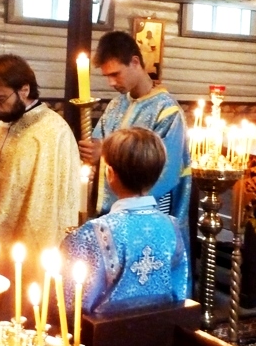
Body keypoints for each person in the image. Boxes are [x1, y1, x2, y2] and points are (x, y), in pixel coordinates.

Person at [0, 54, 81, 304]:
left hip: (27, 248)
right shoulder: (1, 127)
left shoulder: (53, 132)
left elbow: (48, 209)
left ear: (24, 90)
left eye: (0, 98)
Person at [61, 127, 189, 313]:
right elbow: (178, 292)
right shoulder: (172, 228)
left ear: (110, 173)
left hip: (104, 331)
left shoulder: (93, 233)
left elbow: (69, 303)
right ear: (157, 175)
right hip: (162, 329)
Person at [79, 31, 190, 236]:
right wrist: (92, 154)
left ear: (135, 62)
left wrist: (104, 153)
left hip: (149, 217)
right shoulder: (115, 105)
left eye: (115, 74)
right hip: (110, 215)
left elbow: (165, 171)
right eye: (107, 76)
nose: (111, 83)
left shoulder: (167, 111)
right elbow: (97, 146)